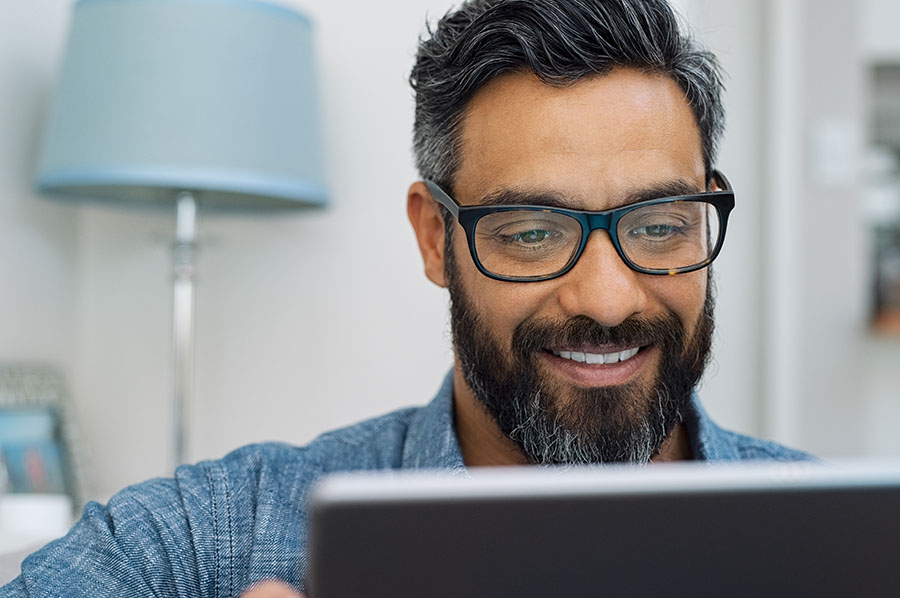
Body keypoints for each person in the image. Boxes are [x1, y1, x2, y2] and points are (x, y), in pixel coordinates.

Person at [1, 0, 813, 596]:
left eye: (660, 224)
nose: (606, 299)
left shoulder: (847, 547)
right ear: (434, 238)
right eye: (532, 231)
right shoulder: (208, 541)